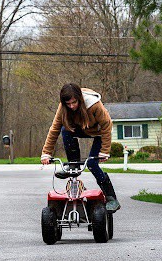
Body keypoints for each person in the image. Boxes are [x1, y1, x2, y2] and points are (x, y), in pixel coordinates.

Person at [40, 83, 120, 212]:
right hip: (78, 129)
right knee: (64, 129)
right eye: (68, 104)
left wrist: (105, 151)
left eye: (74, 102)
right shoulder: (63, 107)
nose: (71, 106)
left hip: (97, 132)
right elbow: (54, 129)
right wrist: (46, 153)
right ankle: (73, 165)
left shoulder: (94, 104)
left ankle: (112, 198)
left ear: (80, 99)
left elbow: (106, 126)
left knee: (92, 164)